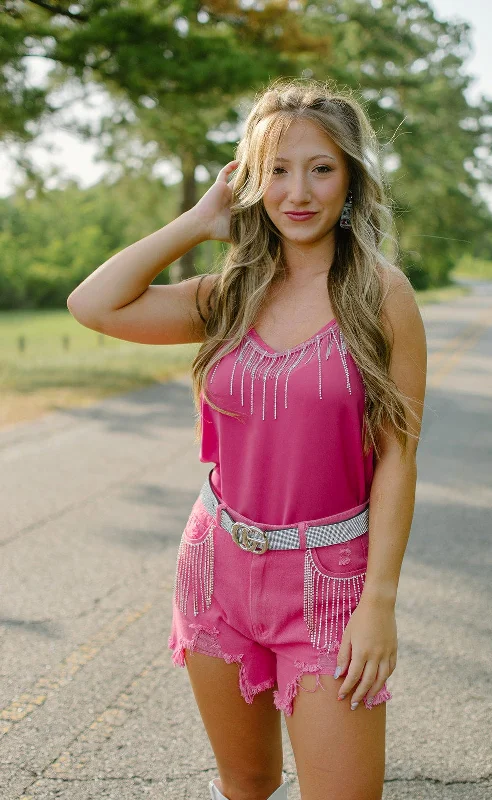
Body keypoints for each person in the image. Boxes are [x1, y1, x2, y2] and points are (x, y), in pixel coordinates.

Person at [67, 78, 427, 800]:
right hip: (215, 566)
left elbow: (397, 457)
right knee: (247, 784)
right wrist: (199, 222)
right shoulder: (230, 290)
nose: (298, 191)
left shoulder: (380, 295)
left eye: (320, 168)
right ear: (252, 181)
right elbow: (93, 304)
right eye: (277, 169)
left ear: (351, 178)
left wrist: (378, 602)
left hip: (330, 582)